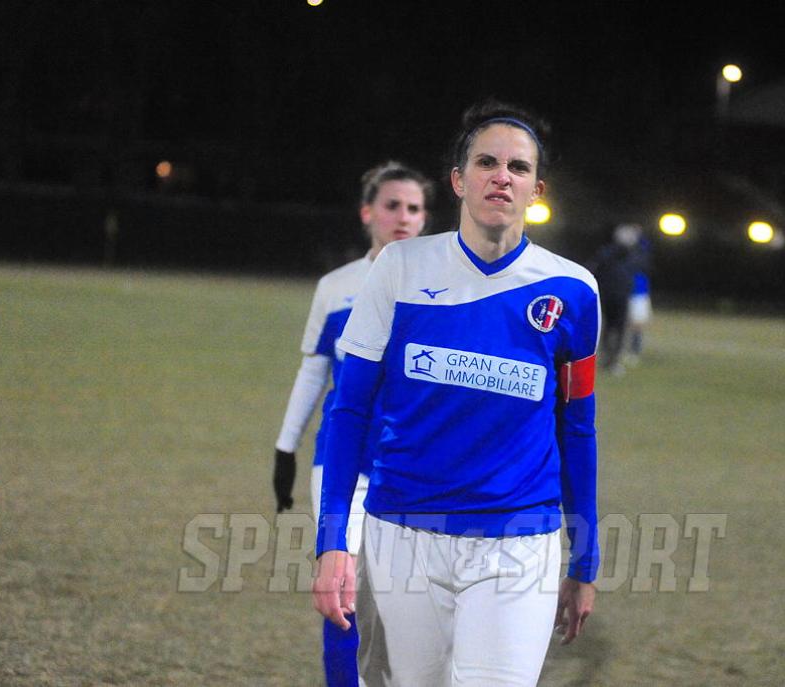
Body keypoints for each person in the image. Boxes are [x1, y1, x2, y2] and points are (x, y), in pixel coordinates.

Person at [313, 101, 600, 687]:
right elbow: (349, 410)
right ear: (458, 180)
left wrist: (585, 558)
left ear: (537, 189)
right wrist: (332, 541)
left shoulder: (573, 291)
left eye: (518, 168)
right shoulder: (400, 268)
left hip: (519, 541)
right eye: (487, 162)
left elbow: (577, 429)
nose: (502, 177)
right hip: (403, 534)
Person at [272, 160, 432, 687]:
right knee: (341, 589)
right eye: (392, 206)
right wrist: (286, 446)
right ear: (368, 213)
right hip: (345, 464)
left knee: (409, 600)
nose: (403, 217)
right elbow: (314, 369)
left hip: (415, 470)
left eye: (414, 208)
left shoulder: (447, 289)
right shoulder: (336, 287)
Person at [591, 223, 649, 373]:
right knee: (617, 328)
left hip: (612, 295)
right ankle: (612, 359)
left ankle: (609, 358)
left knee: (610, 327)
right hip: (617, 295)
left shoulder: (608, 252)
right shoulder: (630, 254)